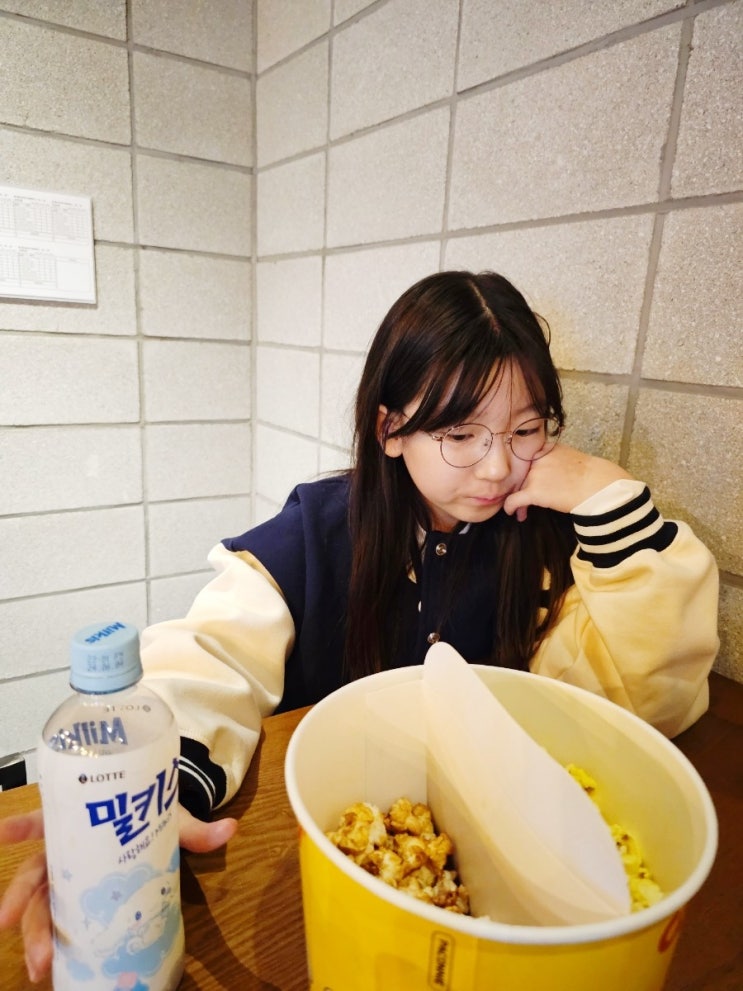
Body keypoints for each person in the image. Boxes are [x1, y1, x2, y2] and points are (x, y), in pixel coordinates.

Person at [0, 270, 719, 980]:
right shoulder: (317, 531)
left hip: (495, 903)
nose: (498, 465)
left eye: (526, 429)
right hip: (325, 874)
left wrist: (602, 491)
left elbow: (642, 702)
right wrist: (145, 800)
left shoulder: (541, 547)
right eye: (460, 433)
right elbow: (209, 656)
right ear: (390, 429)